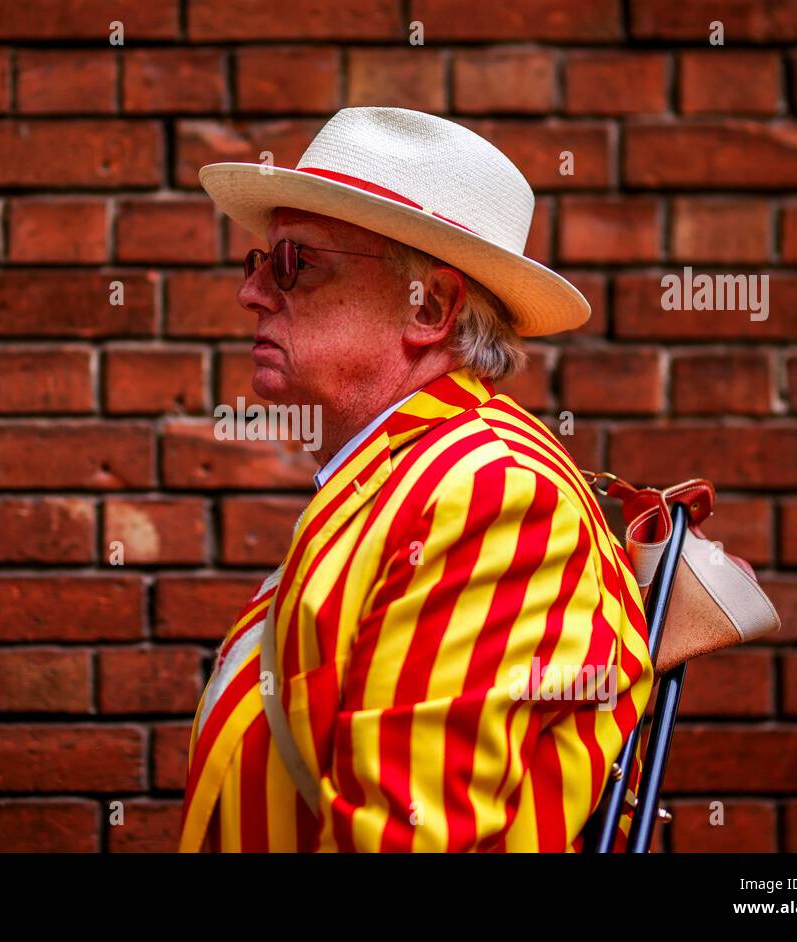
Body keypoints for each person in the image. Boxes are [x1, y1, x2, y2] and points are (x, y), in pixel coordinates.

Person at [179, 107, 653, 852]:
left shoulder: (490, 494)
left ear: (428, 307)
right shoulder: (412, 475)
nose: (253, 292)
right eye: (258, 262)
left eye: (295, 262)